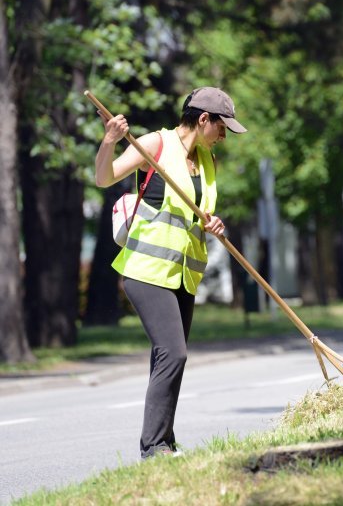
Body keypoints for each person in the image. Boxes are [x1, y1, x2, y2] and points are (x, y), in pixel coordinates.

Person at [95, 87, 248, 458]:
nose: (224, 135)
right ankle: (153, 448)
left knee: (167, 357)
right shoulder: (155, 144)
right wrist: (109, 141)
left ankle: (164, 440)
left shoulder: (207, 161)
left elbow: (197, 213)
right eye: (222, 127)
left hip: (183, 274)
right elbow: (104, 177)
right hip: (147, 269)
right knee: (173, 353)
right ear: (203, 119)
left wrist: (214, 225)